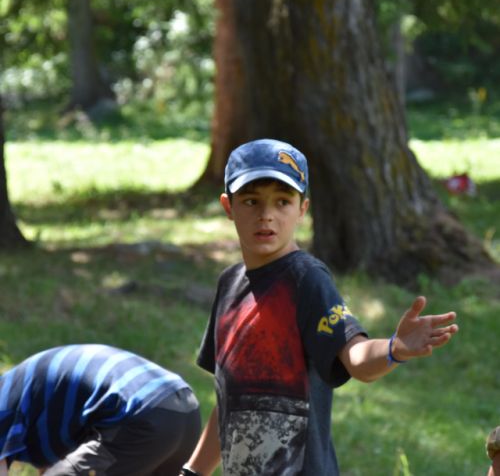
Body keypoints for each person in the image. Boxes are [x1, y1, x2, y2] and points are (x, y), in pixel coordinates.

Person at [180, 138, 459, 476]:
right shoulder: (229, 285)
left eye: (282, 202)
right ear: (228, 206)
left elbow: (356, 358)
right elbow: (230, 398)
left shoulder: (306, 280)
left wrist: (393, 349)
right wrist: (193, 471)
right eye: (251, 201)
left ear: (302, 208)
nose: (266, 215)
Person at [0, 344, 201, 476]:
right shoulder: (28, 395)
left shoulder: (5, 402)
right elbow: (64, 464)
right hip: (185, 409)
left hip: (142, 415)